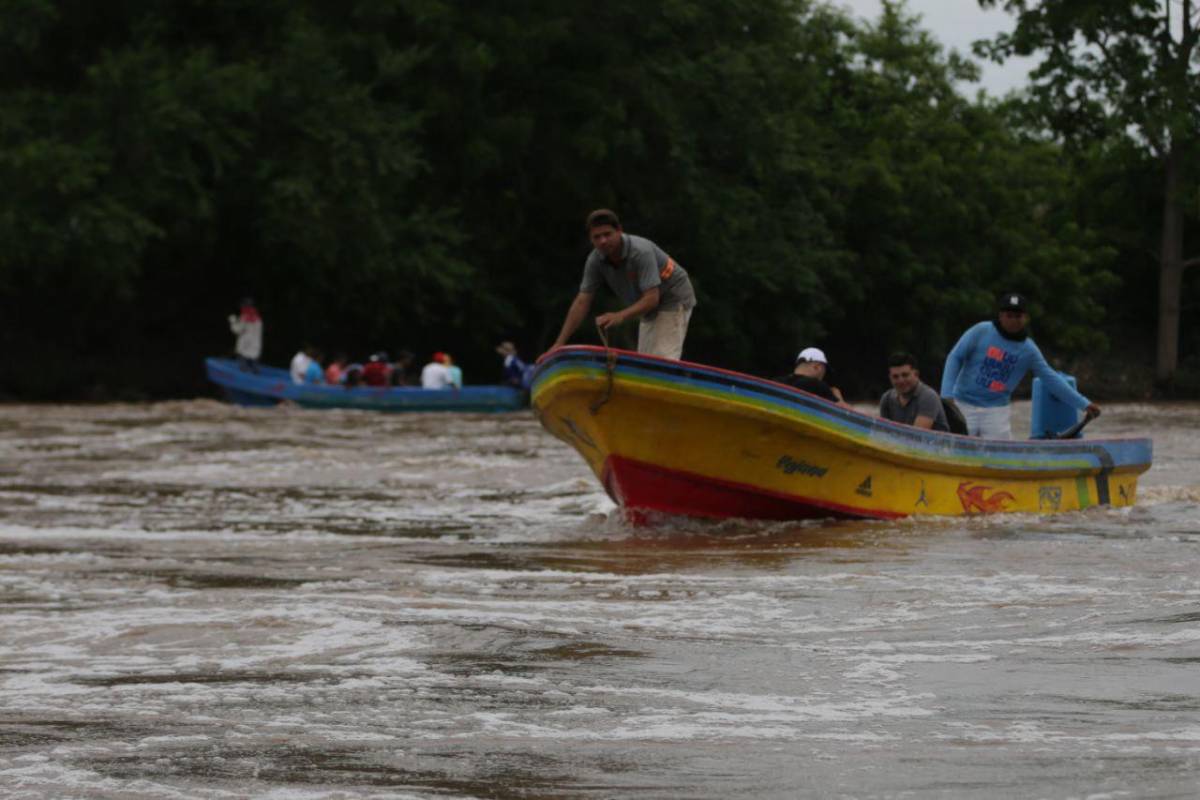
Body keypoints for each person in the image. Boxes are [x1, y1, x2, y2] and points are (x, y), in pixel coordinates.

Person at [941, 292, 1101, 439]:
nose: (1013, 320)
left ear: (1025, 318)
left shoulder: (1028, 350)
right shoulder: (980, 331)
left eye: (1018, 316)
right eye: (1009, 315)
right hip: (963, 403)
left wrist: (1083, 403)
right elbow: (955, 357)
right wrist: (947, 396)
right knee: (954, 445)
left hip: (996, 410)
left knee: (1000, 457)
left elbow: (1050, 378)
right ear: (1001, 316)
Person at [549, 208, 697, 360]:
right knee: (645, 360)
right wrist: (559, 343)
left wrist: (619, 315)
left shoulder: (640, 251)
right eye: (597, 237)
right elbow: (582, 302)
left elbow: (652, 299)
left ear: (619, 231)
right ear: (591, 239)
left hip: (673, 296)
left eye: (607, 234)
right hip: (647, 303)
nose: (603, 241)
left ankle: (671, 379)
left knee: (662, 359)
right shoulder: (595, 260)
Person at [879, 352, 950, 432]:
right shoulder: (886, 398)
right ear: (890, 378)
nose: (901, 380)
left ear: (916, 374)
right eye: (895, 377)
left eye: (905, 375)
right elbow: (882, 432)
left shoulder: (929, 397)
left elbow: (917, 435)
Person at [779, 347, 853, 409]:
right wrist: (838, 396)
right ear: (817, 367)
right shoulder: (817, 385)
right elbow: (843, 412)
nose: (824, 375)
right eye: (825, 370)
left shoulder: (778, 381)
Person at [227, 298, 262, 372]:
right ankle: (255, 374)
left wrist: (233, 321)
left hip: (244, 348)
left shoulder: (245, 317)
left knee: (243, 368)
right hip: (255, 349)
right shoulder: (258, 319)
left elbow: (236, 330)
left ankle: (244, 378)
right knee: (254, 367)